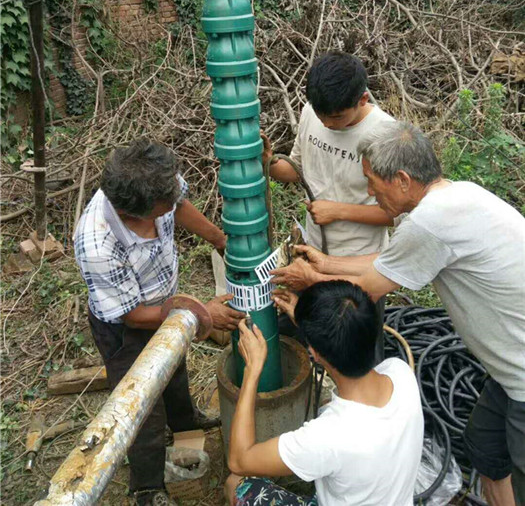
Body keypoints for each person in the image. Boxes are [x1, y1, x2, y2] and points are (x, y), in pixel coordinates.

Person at [272, 122, 525, 506]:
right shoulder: (456, 198)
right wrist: (325, 263)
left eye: (373, 182)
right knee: (485, 447)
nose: (370, 192)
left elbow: (371, 285)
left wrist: (311, 281)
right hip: (509, 371)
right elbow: (391, 261)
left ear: (403, 180)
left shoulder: (430, 221)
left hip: (522, 375)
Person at [74, 140, 245, 506]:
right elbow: (132, 315)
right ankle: (147, 487)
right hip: (126, 329)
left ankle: (186, 422)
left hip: (164, 304)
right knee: (141, 405)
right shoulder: (97, 241)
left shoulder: (156, 181)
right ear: (136, 212)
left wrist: (219, 240)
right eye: (164, 207)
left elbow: (179, 203)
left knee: (175, 368)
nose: (174, 204)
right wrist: (200, 314)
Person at [225, 280, 424, 506]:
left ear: (314, 353)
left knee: (236, 483)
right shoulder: (400, 373)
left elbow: (239, 460)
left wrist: (252, 370)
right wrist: (315, 328)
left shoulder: (327, 437)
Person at [262, 52, 394, 357]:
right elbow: (296, 169)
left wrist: (338, 210)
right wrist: (267, 162)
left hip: (359, 265)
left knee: (360, 354)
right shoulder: (314, 112)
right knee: (317, 344)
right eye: (321, 116)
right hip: (313, 254)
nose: (326, 123)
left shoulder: (385, 135)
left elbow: (395, 214)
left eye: (335, 118)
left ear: (362, 100)